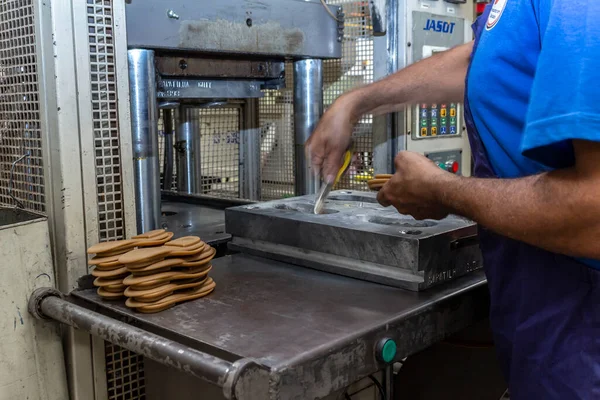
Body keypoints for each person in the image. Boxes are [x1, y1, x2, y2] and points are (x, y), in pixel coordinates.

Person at [306, 1, 600, 398]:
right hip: (539, 303)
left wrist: (442, 190)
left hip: (582, 325)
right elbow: (488, 62)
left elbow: (593, 213)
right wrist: (357, 102)